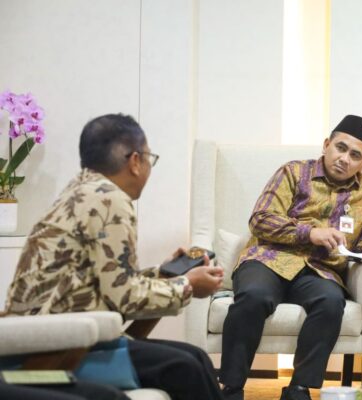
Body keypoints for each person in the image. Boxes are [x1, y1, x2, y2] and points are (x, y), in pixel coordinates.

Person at [4, 114, 226, 400]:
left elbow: (105, 281)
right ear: (135, 161)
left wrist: (162, 274)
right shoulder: (110, 199)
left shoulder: (79, 191)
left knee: (195, 358)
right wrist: (188, 284)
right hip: (58, 351)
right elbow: (124, 297)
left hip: (52, 341)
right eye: (149, 158)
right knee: (187, 367)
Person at [220, 115, 362, 400]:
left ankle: (299, 388)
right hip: (269, 259)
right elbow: (260, 219)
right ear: (326, 144)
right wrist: (310, 233)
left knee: (331, 302)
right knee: (254, 297)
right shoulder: (293, 172)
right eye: (340, 148)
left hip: (321, 270)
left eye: (355, 155)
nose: (344, 159)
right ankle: (232, 388)